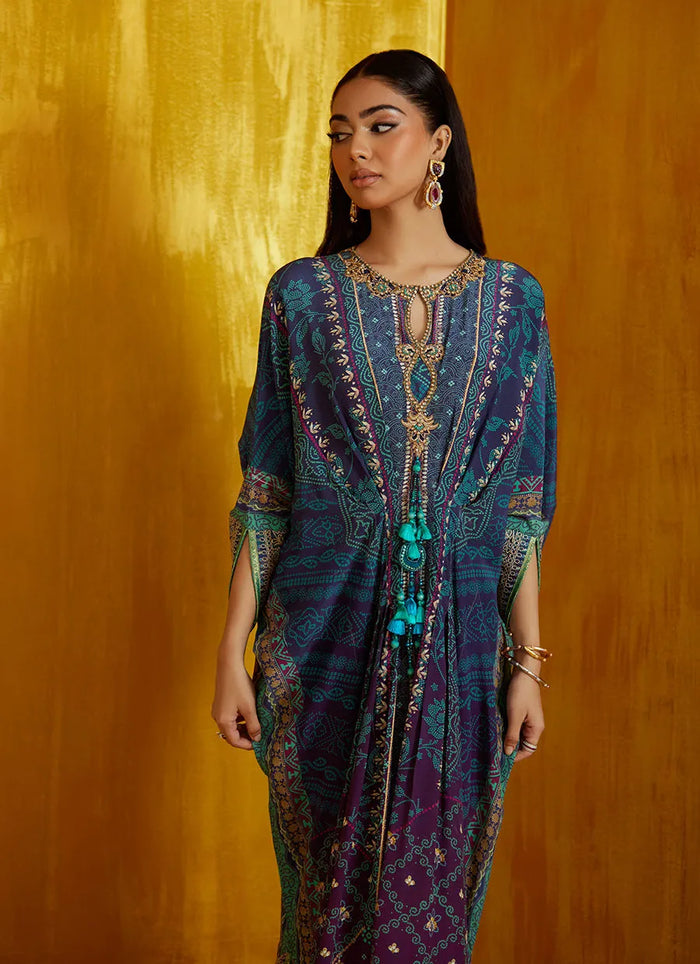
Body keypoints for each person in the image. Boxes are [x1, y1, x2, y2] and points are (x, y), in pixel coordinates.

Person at [211, 48, 557, 964]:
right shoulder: (303, 295)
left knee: (433, 915)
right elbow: (268, 489)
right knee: (321, 909)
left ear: (438, 142)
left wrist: (528, 662)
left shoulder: (514, 301)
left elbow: (521, 504)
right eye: (339, 133)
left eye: (380, 126)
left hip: (463, 656)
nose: (355, 150)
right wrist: (231, 651)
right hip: (321, 642)